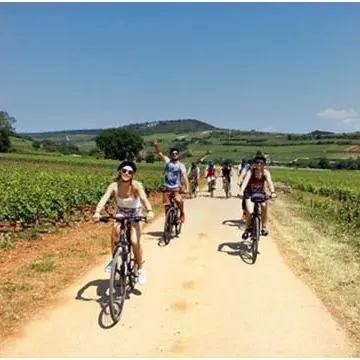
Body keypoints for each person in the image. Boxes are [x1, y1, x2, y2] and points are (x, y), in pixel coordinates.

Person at [93, 161, 154, 285]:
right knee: (115, 233)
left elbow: (143, 198)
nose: (127, 173)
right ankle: (113, 260)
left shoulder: (136, 185)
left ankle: (141, 269)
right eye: (124, 170)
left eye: (130, 172)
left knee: (134, 240)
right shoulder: (114, 186)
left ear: (133, 175)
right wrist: (97, 212)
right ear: (120, 171)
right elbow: (104, 198)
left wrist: (149, 211)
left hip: (135, 213)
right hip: (121, 212)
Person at [239, 154, 276, 239]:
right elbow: (245, 182)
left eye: (261, 163)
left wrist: (273, 192)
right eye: (257, 162)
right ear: (255, 163)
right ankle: (247, 229)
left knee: (264, 207)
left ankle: (264, 227)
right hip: (250, 193)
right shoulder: (250, 172)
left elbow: (270, 182)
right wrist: (241, 191)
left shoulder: (266, 172)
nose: (259, 164)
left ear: (264, 164)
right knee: (250, 211)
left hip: (260, 193)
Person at [153, 140, 189, 223]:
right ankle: (168, 221)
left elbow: (185, 177)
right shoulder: (167, 161)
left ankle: (182, 213)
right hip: (167, 186)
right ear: (170, 155)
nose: (174, 155)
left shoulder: (181, 165)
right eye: (173, 154)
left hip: (176, 187)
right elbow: (159, 153)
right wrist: (156, 146)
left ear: (178, 155)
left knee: (178, 200)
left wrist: (187, 188)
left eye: (176, 154)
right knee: (167, 205)